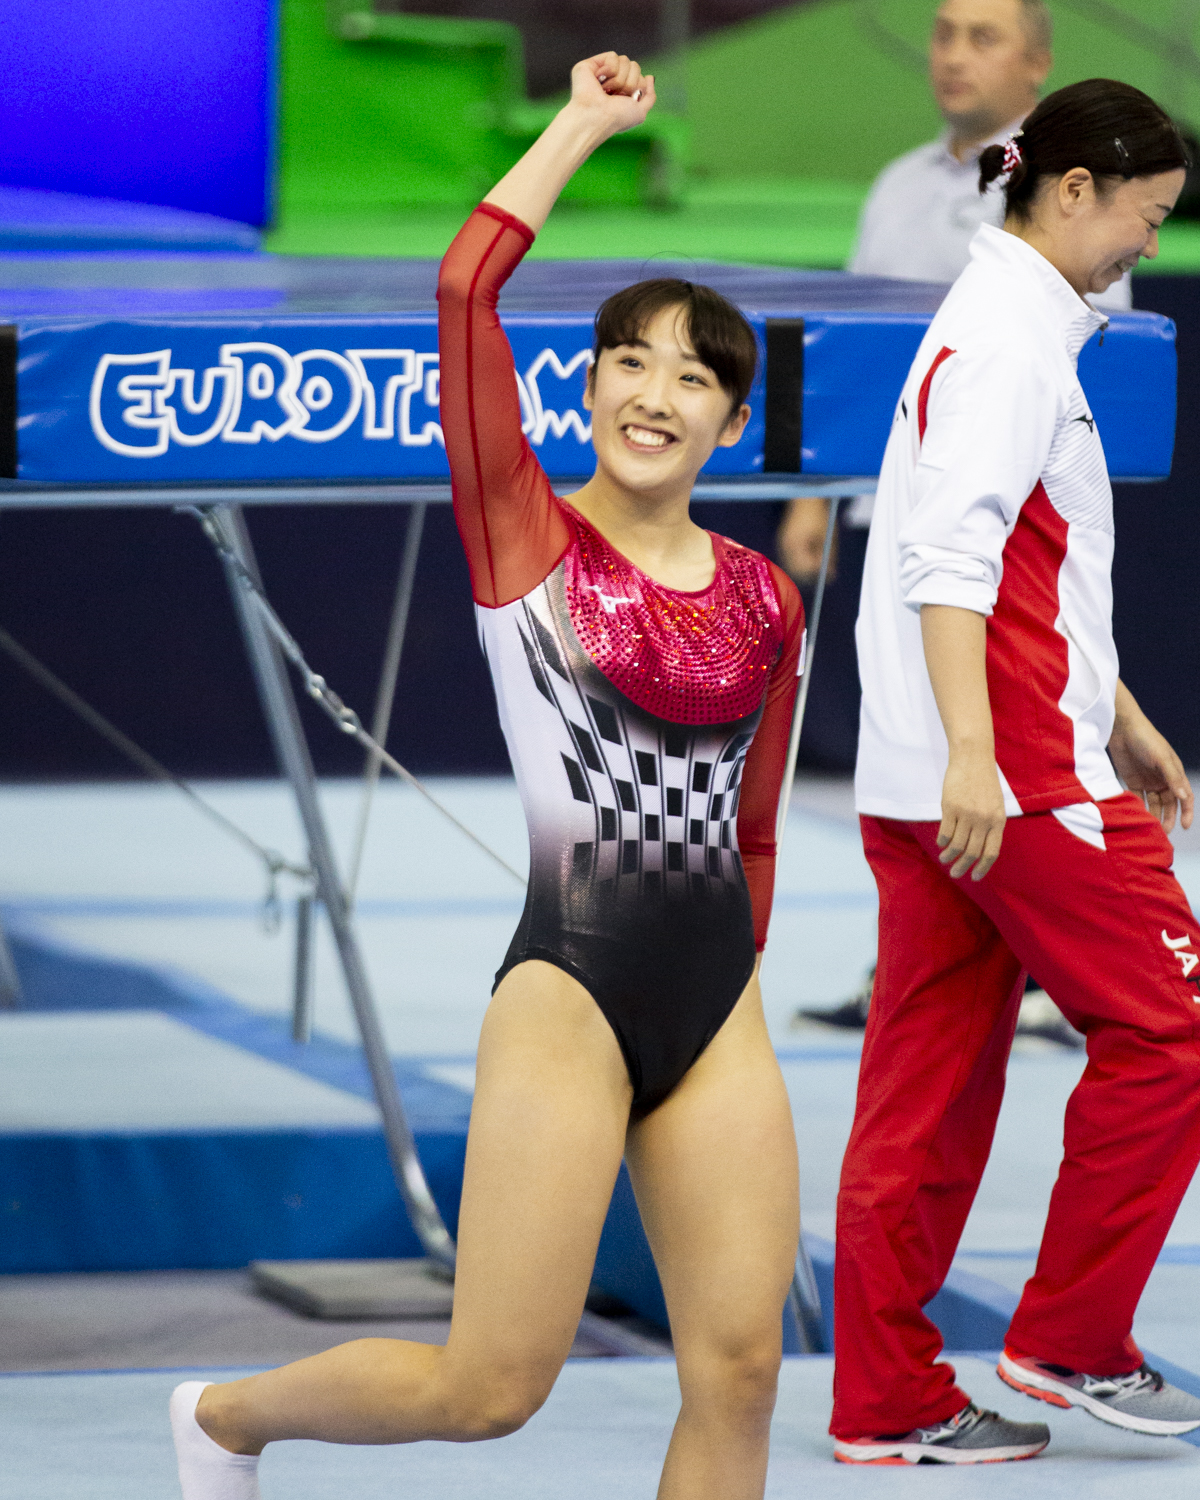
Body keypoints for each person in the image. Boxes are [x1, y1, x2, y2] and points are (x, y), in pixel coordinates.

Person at [167, 51, 807, 1500]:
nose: (657, 394)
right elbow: (466, 291)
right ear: (584, 389)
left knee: (744, 1368)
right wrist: (580, 125)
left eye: (695, 376)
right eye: (629, 362)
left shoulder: (769, 598)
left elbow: (753, 829)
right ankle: (227, 1418)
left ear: (729, 423)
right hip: (571, 989)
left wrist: (731, 984)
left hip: (717, 1003)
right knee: (491, 1387)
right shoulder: (528, 539)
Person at [833, 78, 1200, 1465]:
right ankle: (1071, 1337)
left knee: (922, 1099)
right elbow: (948, 565)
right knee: (1176, 1032)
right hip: (1008, 785)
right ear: (1073, 192)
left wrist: (1119, 710)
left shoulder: (1007, 327)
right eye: (1145, 220)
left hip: (939, 779)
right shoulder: (1008, 346)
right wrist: (992, 758)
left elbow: (1025, 567)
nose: (1150, 250)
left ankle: (883, 1400)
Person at [785, 0, 1114, 1048]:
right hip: (897, 508)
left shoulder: (1072, 193)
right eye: (944, 33)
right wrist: (816, 492)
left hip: (1011, 525)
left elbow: (1078, 370)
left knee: (1010, 744)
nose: (955, 54)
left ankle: (1058, 967)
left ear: (1038, 60)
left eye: (983, 36)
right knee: (911, 755)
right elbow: (851, 358)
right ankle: (915, 968)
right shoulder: (895, 186)